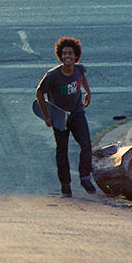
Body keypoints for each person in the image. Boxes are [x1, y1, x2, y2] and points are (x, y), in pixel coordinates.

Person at [35, 36, 95, 197]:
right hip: (60, 117)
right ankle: (65, 184)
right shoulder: (53, 76)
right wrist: (47, 116)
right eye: (64, 54)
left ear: (76, 56)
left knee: (86, 144)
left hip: (76, 113)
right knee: (62, 151)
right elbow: (39, 93)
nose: (67, 56)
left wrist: (88, 92)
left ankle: (85, 177)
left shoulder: (79, 69)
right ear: (60, 56)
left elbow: (82, 77)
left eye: (70, 53)